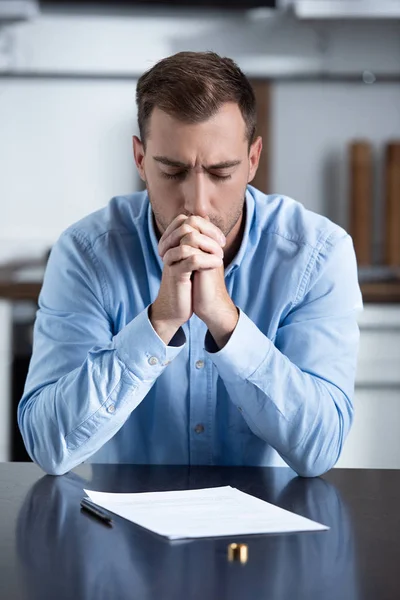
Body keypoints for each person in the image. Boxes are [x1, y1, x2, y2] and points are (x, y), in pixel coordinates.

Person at [17, 51, 362, 477]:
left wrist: (226, 321)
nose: (197, 203)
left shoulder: (318, 254)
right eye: (173, 171)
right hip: (126, 533)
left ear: (253, 160)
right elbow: (49, 446)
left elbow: (320, 451)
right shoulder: (86, 253)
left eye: (220, 173)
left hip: (269, 531)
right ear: (141, 160)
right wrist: (159, 322)